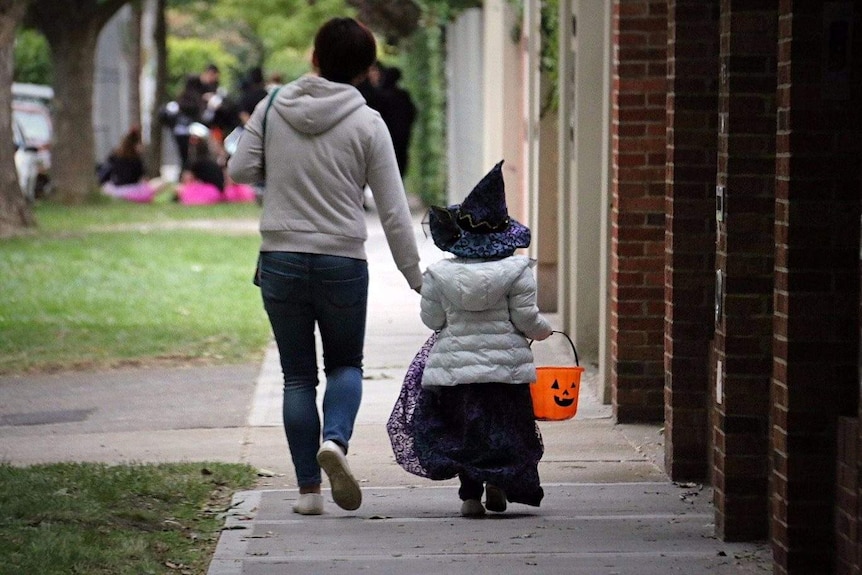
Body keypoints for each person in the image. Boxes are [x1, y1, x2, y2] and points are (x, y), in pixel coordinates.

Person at [228, 17, 422, 516]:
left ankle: (308, 493)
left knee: (297, 378)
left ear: (314, 56)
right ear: (365, 70)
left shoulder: (272, 107)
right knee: (344, 365)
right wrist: (414, 275)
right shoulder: (368, 122)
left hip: (281, 258)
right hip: (342, 260)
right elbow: (394, 208)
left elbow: (240, 168)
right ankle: (335, 441)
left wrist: (282, 165)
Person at [387, 160, 553, 517]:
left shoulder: (438, 275)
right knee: (504, 431)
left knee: (465, 432)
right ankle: (498, 484)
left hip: (455, 372)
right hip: (505, 371)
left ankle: (469, 497)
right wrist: (543, 332)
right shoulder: (517, 272)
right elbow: (526, 319)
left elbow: (432, 320)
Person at [98, 125, 158, 203]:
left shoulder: (115, 155)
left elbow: (105, 173)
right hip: (132, 189)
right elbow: (142, 176)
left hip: (115, 188)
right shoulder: (136, 160)